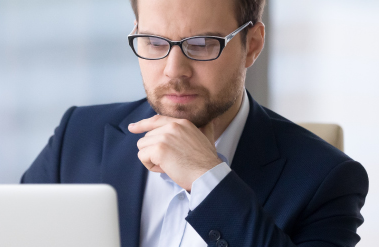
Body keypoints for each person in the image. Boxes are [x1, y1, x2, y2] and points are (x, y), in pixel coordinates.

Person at [21, 0, 369, 246]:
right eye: (155, 42)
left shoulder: (327, 180)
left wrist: (209, 180)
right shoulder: (77, 136)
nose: (174, 70)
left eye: (202, 44)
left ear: (253, 45)